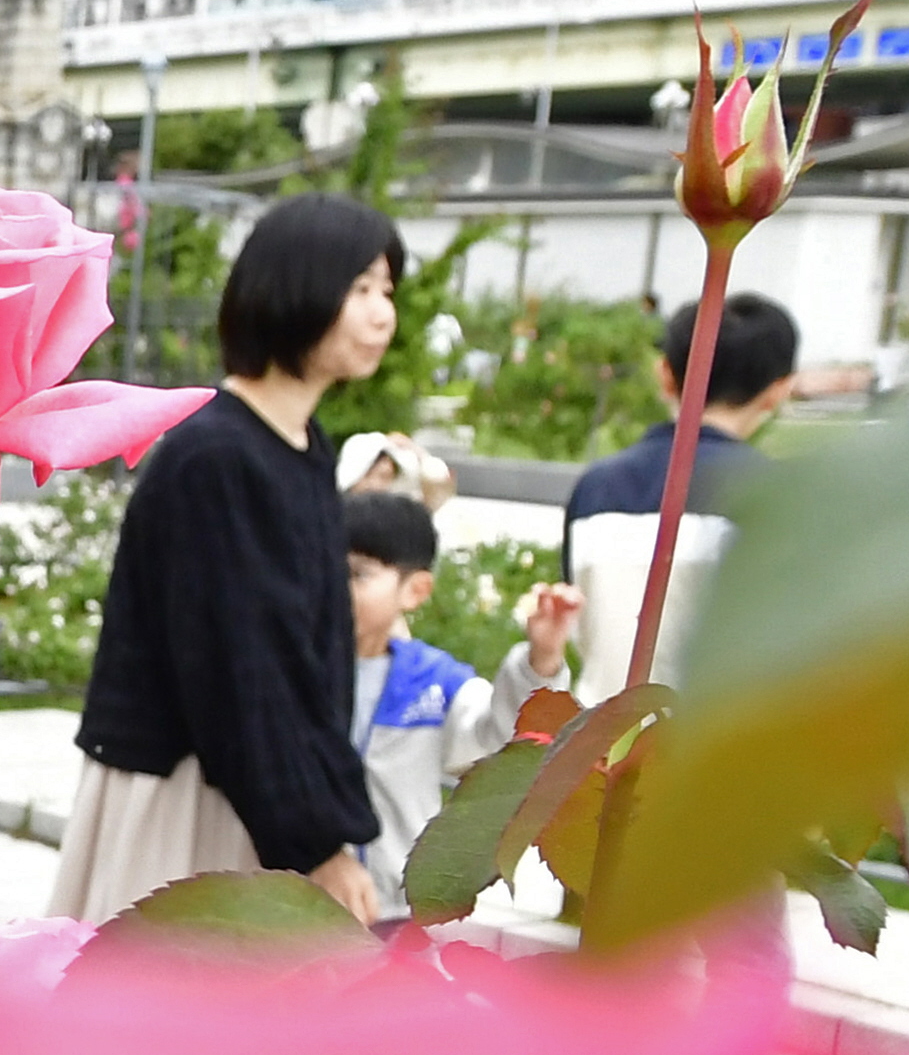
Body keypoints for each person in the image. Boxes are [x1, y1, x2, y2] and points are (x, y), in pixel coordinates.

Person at [54, 193, 404, 925]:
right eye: (362, 288)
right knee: (165, 992)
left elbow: (299, 660)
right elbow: (239, 668)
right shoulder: (216, 457)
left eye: (388, 291)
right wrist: (315, 841)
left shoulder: (302, 447)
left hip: (248, 791)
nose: (383, 314)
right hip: (188, 797)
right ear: (298, 285)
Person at [557, 291, 796, 695]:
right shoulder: (778, 494)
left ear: (665, 374)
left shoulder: (595, 488)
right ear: (779, 390)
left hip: (601, 727)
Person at [337, 489, 568, 904]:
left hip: (399, 906)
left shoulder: (432, 682)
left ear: (416, 590)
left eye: (358, 574)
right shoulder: (290, 671)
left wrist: (541, 659)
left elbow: (498, 737)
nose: (335, 586)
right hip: (306, 900)